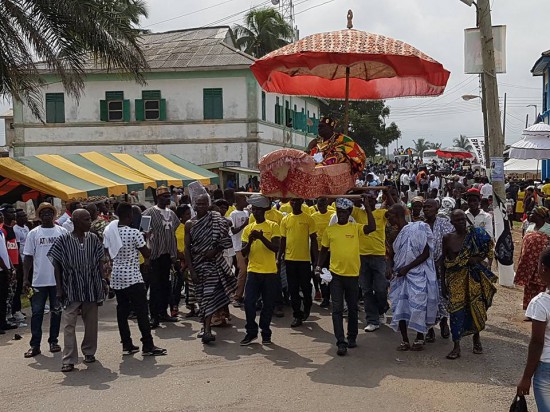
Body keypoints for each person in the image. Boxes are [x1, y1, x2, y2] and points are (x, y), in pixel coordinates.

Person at [48, 209, 107, 372]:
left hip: (91, 286)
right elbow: (57, 265)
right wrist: (59, 288)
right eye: (87, 220)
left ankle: (89, 351)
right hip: (71, 288)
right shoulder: (63, 240)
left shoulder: (94, 239)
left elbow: (100, 261)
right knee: (69, 324)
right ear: (76, 222)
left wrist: (102, 280)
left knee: (91, 322)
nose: (90, 222)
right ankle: (69, 359)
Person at [104, 202, 166, 356]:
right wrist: (148, 239)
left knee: (122, 311)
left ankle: (127, 344)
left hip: (117, 276)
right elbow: (147, 253)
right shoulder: (133, 233)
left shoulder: (110, 232)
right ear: (130, 216)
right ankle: (147, 345)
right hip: (133, 277)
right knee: (142, 312)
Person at [316, 197, 376, 356]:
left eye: (344, 212)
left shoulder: (355, 228)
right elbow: (323, 251)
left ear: (349, 212)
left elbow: (372, 227)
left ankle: (352, 337)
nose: (341, 215)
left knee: (352, 308)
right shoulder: (330, 230)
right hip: (336, 276)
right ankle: (340, 342)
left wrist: (368, 206)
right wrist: (318, 266)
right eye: (339, 212)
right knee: (336, 310)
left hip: (353, 276)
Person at [442, 209, 497, 360]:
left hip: (473, 277)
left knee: (476, 306)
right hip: (454, 279)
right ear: (451, 222)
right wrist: (443, 284)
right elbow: (443, 261)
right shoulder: (447, 238)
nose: (460, 222)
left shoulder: (475, 235)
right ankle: (456, 345)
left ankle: (476, 338)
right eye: (457, 220)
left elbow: (488, 250)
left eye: (462, 219)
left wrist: (476, 259)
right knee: (455, 311)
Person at [386, 204, 439, 352]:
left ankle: (420, 337)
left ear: (398, 215)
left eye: (389, 215)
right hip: (400, 277)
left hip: (417, 274)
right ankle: (404, 340)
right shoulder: (393, 234)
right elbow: (390, 255)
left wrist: (407, 268)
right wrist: (389, 267)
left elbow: (426, 253)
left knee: (418, 305)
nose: (387, 218)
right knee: (399, 307)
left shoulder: (419, 228)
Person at [185, 194, 236, 344]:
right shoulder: (190, 224)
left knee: (209, 294)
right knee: (201, 297)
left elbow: (226, 240)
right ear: (194, 205)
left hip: (213, 264)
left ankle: (207, 330)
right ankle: (204, 325)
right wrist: (191, 270)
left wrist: (214, 251)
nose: (200, 206)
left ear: (208, 205)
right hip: (198, 264)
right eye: (198, 204)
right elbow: (187, 249)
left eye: (203, 204)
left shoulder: (217, 220)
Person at [22, 203, 66, 358]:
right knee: (37, 313)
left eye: (50, 212)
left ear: (54, 215)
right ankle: (35, 345)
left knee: (56, 311)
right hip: (39, 280)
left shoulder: (62, 231)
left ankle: (53, 341)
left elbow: (67, 256)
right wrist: (25, 279)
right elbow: (28, 257)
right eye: (44, 213)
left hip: (57, 281)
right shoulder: (33, 233)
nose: (47, 215)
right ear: (39, 216)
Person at [239, 194, 280, 346]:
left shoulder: (273, 226)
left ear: (263, 210)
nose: (254, 212)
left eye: (257, 210)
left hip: (269, 272)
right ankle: (251, 332)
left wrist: (262, 238)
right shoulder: (248, 228)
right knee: (249, 303)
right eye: (253, 210)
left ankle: (266, 332)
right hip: (253, 271)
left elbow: (275, 248)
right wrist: (250, 240)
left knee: (268, 305)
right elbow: (243, 252)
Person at [142, 186, 180, 328]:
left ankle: (163, 313)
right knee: (155, 286)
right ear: (158, 198)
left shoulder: (172, 213)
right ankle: (154, 316)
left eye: (168, 196)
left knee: (166, 285)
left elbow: (174, 230)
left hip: (167, 255)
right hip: (154, 255)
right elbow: (142, 233)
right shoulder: (148, 213)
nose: (167, 199)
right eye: (164, 196)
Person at [517, 248, 550, 410]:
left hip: (546, 368)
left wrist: (526, 378)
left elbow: (537, 343)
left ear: (543, 268)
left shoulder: (540, 303)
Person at [278, 198, 318, 328]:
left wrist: (316, 260)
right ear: (290, 203)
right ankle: (297, 315)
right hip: (290, 260)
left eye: (297, 201)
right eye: (293, 202)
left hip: (305, 260)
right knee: (292, 289)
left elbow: (314, 240)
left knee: (306, 288)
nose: (294, 203)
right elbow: (283, 240)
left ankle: (307, 306)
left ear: (302, 202)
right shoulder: (285, 220)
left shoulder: (308, 219)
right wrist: (279, 257)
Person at [356, 190, 392, 332]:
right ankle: (372, 320)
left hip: (378, 256)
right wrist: (359, 193)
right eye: (366, 199)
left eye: (371, 199)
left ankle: (382, 308)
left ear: (376, 200)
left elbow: (396, 210)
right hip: (362, 257)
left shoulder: (381, 213)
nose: (368, 202)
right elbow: (345, 197)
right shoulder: (358, 213)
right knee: (366, 290)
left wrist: (387, 193)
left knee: (380, 289)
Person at [423, 199, 455, 342]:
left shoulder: (444, 223)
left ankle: (443, 321)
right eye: (424, 207)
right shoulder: (420, 225)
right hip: (424, 267)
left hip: (441, 266)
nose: (426, 209)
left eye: (429, 207)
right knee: (426, 298)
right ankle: (429, 328)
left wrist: (439, 261)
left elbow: (449, 243)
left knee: (442, 296)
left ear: (436, 209)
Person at [515, 226, 550, 310]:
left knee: (541, 285)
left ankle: (536, 311)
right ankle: (529, 309)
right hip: (531, 261)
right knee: (529, 285)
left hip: (545, 260)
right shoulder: (530, 226)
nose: (530, 215)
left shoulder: (547, 227)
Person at [311, 198, 333, 308]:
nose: (321, 206)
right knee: (321, 275)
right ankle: (325, 297)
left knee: (332, 274)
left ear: (327, 203)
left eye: (323, 203)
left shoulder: (333, 215)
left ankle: (333, 295)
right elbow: (313, 237)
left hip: (332, 250)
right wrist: (315, 257)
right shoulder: (313, 217)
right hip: (319, 250)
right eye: (319, 204)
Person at [228, 194, 249, 308]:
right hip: (238, 246)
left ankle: (245, 294)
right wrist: (244, 225)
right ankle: (237, 296)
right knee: (243, 271)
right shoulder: (233, 214)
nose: (246, 201)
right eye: (244, 199)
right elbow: (233, 231)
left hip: (247, 245)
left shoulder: (246, 213)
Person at [12, 209, 29, 321]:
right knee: (18, 287)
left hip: (28, 259)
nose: (25, 217)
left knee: (27, 284)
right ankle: (15, 310)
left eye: (25, 215)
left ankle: (21, 308)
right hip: (21, 260)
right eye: (22, 216)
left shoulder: (26, 228)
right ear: (17, 218)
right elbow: (17, 247)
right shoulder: (15, 230)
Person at [0, 211, 15, 334]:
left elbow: (4, 251)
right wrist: (5, 269)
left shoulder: (1, 233)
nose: (1, 217)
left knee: (4, 297)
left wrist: (10, 266)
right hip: (1, 270)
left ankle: (3, 322)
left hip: (5, 269)